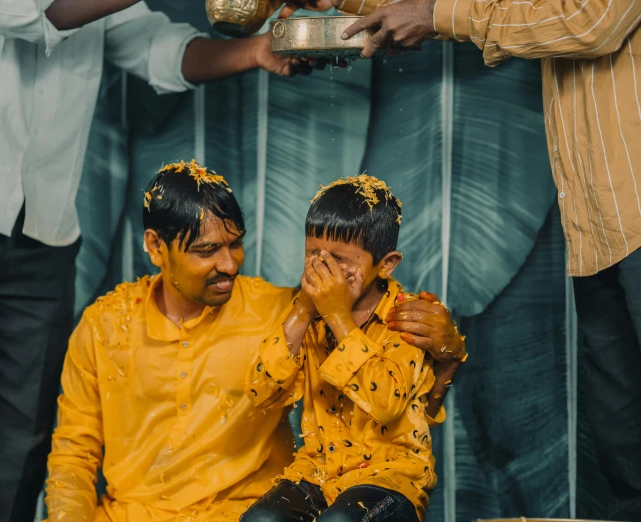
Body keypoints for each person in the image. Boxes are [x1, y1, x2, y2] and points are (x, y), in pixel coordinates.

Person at [0, 1, 328, 520]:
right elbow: (43, 13)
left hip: (43, 234)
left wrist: (255, 50)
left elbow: (157, 47)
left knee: (12, 453)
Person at [340, 0, 641, 518]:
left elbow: (594, 22)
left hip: (631, 210)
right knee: (625, 449)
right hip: (598, 227)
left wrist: (436, 17)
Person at [44, 161, 464, 522]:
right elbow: (72, 457)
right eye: (207, 250)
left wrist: (449, 349)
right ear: (156, 245)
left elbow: (397, 395)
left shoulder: (284, 307)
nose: (228, 264)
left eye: (237, 244)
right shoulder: (103, 324)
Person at [242, 175, 464, 522]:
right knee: (261, 519)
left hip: (390, 477)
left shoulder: (408, 318)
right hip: (318, 472)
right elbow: (261, 393)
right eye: (314, 254)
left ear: (385, 264)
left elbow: (385, 404)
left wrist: (336, 315)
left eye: (342, 260)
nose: (325, 270)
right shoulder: (306, 315)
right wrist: (302, 312)